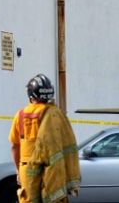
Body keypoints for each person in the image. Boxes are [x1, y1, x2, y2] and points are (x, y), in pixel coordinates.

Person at [10, 74, 80, 203]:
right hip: (52, 167)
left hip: (28, 169)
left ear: (31, 96)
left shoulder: (20, 115)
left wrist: (18, 170)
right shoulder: (55, 114)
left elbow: (15, 146)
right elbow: (65, 142)